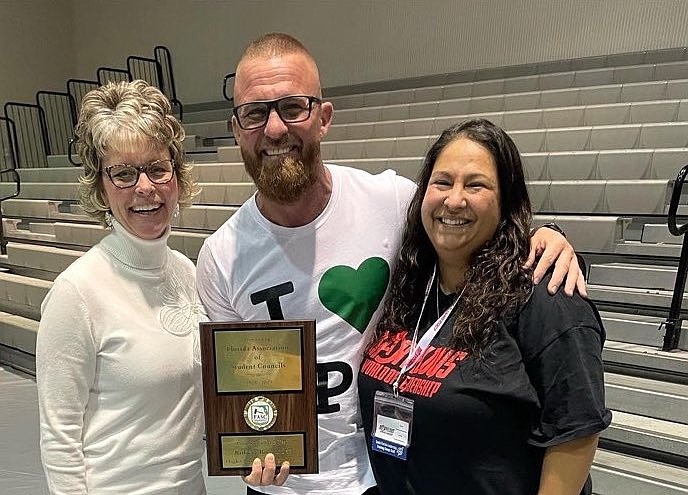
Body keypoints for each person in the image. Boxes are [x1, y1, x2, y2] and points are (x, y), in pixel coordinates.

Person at [196, 33, 584, 495]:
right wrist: (243, 452)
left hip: (377, 479)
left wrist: (545, 237)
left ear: (323, 119)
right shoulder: (220, 257)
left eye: (293, 107)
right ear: (237, 127)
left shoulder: (392, 201)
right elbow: (235, 399)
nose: (275, 129)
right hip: (277, 488)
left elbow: (464, 220)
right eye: (255, 113)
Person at [358, 118, 611, 495]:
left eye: (475, 185)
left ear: (506, 200)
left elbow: (575, 431)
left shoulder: (545, 294)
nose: (454, 200)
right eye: (442, 182)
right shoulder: (408, 284)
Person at [36, 80, 206, 494]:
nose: (144, 187)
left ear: (176, 177)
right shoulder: (76, 292)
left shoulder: (188, 274)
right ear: (101, 186)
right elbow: (59, 440)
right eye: (124, 173)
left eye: (157, 167)